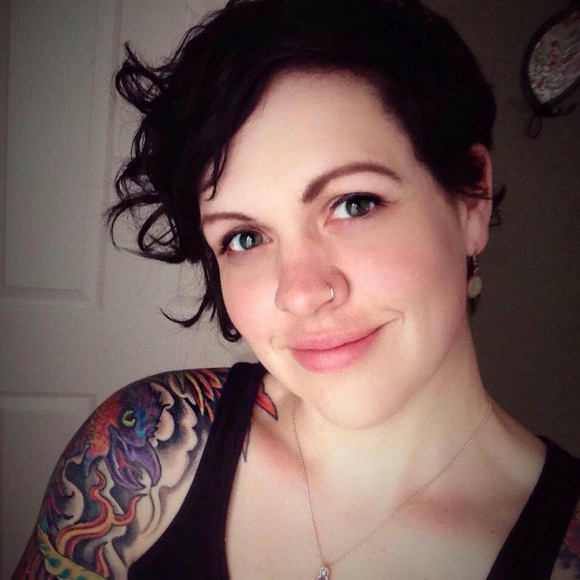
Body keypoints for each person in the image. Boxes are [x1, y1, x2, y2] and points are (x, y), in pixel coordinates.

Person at [13, 0, 580, 578]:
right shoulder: (139, 454)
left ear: (471, 200)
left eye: (354, 204)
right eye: (244, 237)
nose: (301, 293)